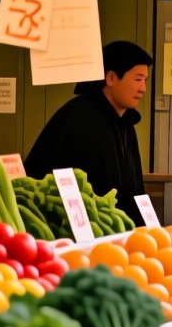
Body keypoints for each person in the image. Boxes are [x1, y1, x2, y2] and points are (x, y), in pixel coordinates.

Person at [27, 41, 151, 218]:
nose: (143, 88)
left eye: (145, 80)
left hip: (122, 231)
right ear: (111, 78)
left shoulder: (127, 125)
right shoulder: (79, 118)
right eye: (138, 79)